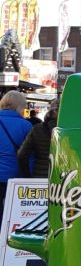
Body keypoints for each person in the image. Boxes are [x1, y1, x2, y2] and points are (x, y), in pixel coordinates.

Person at [0, 90, 33, 218]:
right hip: (15, 176)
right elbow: (29, 155)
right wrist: (29, 175)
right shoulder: (26, 125)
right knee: (12, 211)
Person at [18, 99, 59, 178]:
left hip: (39, 176)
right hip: (63, 179)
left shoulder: (37, 129)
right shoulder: (71, 130)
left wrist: (27, 175)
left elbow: (22, 155)